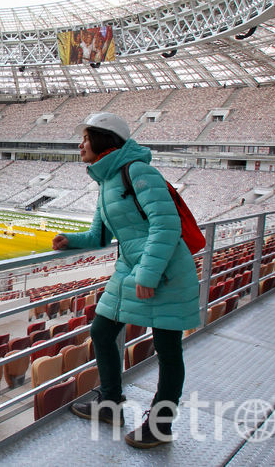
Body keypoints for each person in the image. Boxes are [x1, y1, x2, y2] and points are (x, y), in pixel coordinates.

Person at [51, 112, 200, 449]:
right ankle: (111, 402)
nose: (80, 145)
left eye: (85, 138)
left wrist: (148, 273)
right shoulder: (106, 182)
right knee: (101, 333)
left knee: (168, 349)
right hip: (131, 269)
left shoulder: (138, 171)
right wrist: (70, 239)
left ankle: (161, 424)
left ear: (103, 140)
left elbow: (166, 225)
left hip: (165, 272)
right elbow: (99, 235)